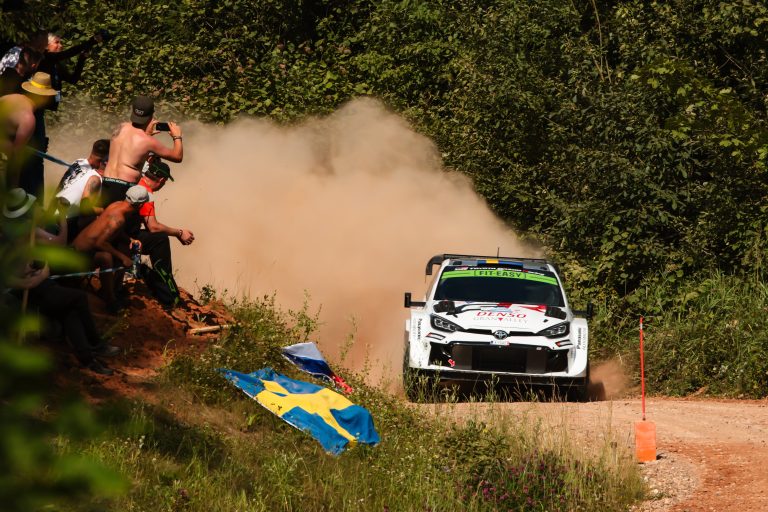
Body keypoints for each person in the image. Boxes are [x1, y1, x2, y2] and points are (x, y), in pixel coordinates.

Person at [2, 187, 120, 376]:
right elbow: (14, 280)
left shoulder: (27, 229)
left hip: (38, 286)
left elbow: (57, 244)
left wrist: (62, 218)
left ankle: (88, 359)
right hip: (26, 293)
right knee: (78, 298)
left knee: (69, 312)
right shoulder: (10, 237)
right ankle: (96, 345)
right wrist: (41, 274)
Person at [71, 185, 149, 310]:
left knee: (119, 251)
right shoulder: (119, 219)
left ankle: (111, 291)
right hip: (77, 257)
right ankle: (110, 299)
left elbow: (115, 230)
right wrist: (123, 258)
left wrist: (130, 240)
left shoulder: (116, 205)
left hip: (76, 248)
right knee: (105, 257)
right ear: (140, 205)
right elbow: (100, 243)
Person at [102, 95, 183, 207]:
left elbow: (130, 145)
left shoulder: (120, 127)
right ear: (152, 115)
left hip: (106, 183)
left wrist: (147, 133)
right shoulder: (147, 141)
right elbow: (177, 156)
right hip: (124, 187)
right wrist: (177, 137)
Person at [134, 159, 194, 307]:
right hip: (125, 236)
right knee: (160, 239)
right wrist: (179, 233)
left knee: (155, 237)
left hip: (118, 231)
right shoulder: (145, 193)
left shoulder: (136, 180)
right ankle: (169, 296)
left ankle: (144, 272)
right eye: (165, 182)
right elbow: (153, 227)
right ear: (161, 180)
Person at [0, 72, 57, 189]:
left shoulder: (8, 98)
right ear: (44, 97)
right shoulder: (28, 119)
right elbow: (16, 158)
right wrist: (14, 188)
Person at [53, 138, 109, 242]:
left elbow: (62, 185)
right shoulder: (94, 177)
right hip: (66, 218)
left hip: (58, 210)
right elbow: (85, 207)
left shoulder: (79, 162)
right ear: (103, 160)